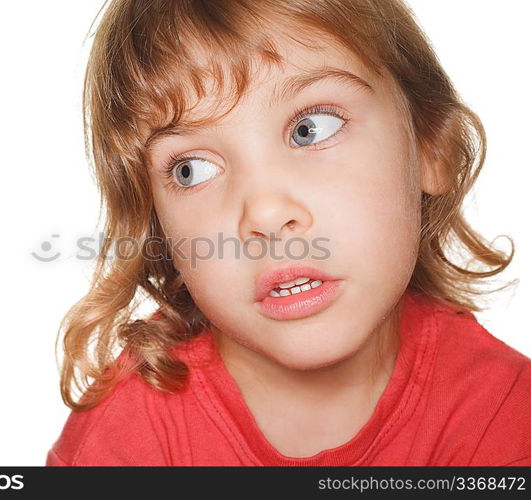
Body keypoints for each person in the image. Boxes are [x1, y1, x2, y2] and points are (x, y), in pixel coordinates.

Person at [46, 0, 530, 466]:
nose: (266, 213)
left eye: (311, 129)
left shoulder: (503, 419)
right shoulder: (125, 438)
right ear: (160, 227)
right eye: (192, 169)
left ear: (432, 146)